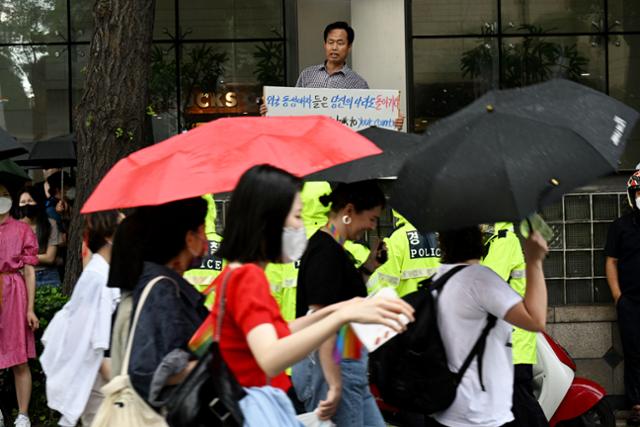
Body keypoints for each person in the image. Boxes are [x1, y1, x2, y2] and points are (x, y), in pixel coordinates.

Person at [206, 165, 413, 423]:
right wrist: (339, 316)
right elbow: (270, 357)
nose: (300, 227)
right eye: (296, 216)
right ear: (269, 220)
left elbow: (280, 330)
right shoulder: (248, 277)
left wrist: (338, 310)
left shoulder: (240, 274)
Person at [429, 226, 548, 427]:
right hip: (480, 411)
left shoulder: (435, 280)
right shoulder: (480, 280)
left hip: (446, 407)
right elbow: (535, 319)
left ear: (443, 244)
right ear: (479, 240)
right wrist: (535, 261)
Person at [292, 180, 390, 426]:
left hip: (348, 363)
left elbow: (338, 296)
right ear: (348, 212)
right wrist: (335, 384)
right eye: (372, 218)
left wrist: (368, 267)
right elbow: (323, 319)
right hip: (335, 368)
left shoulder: (333, 250)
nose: (371, 227)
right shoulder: (325, 253)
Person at [107, 197, 210, 407]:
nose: (207, 239)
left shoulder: (149, 283)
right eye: (202, 230)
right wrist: (218, 362)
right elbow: (148, 372)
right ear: (189, 239)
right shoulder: (161, 290)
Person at [40, 211, 121, 427]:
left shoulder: (101, 273)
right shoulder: (98, 279)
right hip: (99, 382)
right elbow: (99, 343)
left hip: (96, 380)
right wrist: (121, 386)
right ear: (109, 236)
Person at [261, 21, 404, 130]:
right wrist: (271, 111)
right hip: (309, 144)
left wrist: (392, 120)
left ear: (349, 47)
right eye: (331, 42)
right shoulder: (307, 75)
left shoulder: (358, 83)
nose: (334, 47)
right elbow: (291, 111)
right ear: (325, 44)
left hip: (341, 150)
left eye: (340, 43)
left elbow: (369, 122)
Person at [481, 222, 547, 427]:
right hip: (512, 342)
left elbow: (485, 283)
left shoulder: (503, 242)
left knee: (522, 406)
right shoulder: (499, 242)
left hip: (512, 344)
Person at [0, 183, 39, 427]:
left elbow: (30, 272)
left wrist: (30, 308)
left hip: (14, 292)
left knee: (19, 359)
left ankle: (22, 414)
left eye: (3, 195)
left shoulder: (21, 230)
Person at [605, 170, 640, 426]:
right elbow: (611, 262)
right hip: (630, 303)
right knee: (634, 353)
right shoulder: (621, 226)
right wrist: (619, 297)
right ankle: (637, 405)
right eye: (639, 192)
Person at [368, 210, 440, 297]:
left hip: (409, 307)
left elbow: (382, 285)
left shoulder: (397, 238)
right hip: (443, 306)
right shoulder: (442, 236)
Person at [17, 186, 62, 288]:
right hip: (23, 277)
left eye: (30, 200)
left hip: (49, 276)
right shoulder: (13, 227)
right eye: (23, 202)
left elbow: (50, 258)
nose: (26, 204)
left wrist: (22, 257)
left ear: (38, 202)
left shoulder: (51, 224)